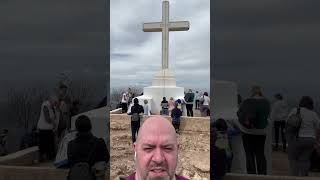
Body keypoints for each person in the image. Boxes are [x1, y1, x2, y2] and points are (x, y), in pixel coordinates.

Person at [237, 86, 270, 175]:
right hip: (262, 132)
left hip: (248, 131)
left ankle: (251, 175)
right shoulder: (266, 102)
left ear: (252, 92)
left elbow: (239, 113)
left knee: (249, 154)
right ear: (260, 92)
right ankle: (262, 175)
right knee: (260, 154)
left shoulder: (247, 101)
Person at [67, 115, 109, 180]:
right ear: (90, 127)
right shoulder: (99, 142)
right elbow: (106, 158)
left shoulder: (71, 144)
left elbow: (70, 162)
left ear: (76, 128)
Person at [287, 96, 320, 176]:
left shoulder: (295, 110)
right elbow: (318, 128)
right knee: (305, 160)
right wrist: (317, 140)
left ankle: (294, 176)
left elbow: (287, 122)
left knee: (293, 159)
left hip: (297, 139)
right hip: (310, 140)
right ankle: (304, 176)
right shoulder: (314, 114)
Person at [37, 96, 59, 161]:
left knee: (51, 145)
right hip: (43, 129)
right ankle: (42, 157)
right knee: (44, 145)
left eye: (56, 103)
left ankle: (50, 157)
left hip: (50, 129)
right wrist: (54, 123)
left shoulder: (53, 107)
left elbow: (55, 116)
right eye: (55, 103)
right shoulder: (45, 105)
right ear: (51, 101)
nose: (55, 104)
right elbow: (47, 118)